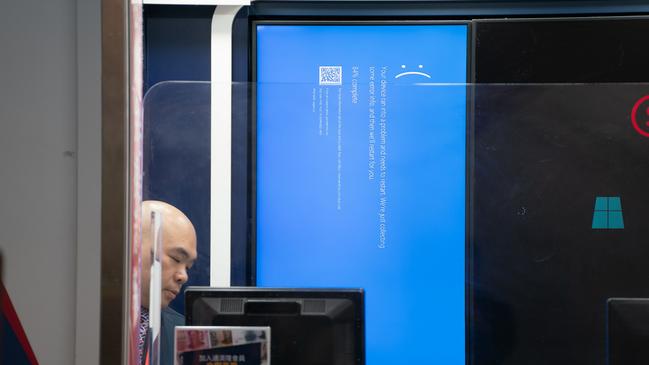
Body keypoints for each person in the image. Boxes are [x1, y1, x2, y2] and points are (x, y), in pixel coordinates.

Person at [139, 200, 198, 365]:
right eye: (176, 258)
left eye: (188, 267)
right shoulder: (76, 318)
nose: (183, 276)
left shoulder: (186, 338)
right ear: (133, 245)